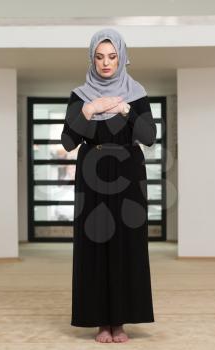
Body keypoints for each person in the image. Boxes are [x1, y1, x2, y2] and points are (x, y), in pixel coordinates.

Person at [61, 28, 157, 343]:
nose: (106, 63)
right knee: (95, 247)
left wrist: (126, 109)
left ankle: (120, 322)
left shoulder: (137, 92)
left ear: (122, 58)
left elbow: (150, 136)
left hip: (129, 177)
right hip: (91, 177)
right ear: (92, 58)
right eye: (99, 57)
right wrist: (89, 110)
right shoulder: (80, 95)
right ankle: (102, 322)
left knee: (127, 246)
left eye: (112, 57)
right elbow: (68, 141)